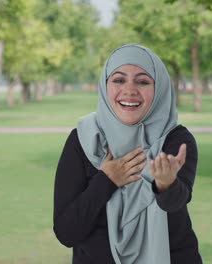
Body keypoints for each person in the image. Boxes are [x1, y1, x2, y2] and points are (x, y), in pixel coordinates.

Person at [53, 43, 202, 264]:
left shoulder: (176, 140)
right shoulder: (84, 140)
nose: (130, 90)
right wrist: (107, 180)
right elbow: (66, 233)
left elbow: (173, 203)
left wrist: (165, 184)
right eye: (119, 80)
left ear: (159, 87)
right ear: (105, 86)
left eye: (142, 81)